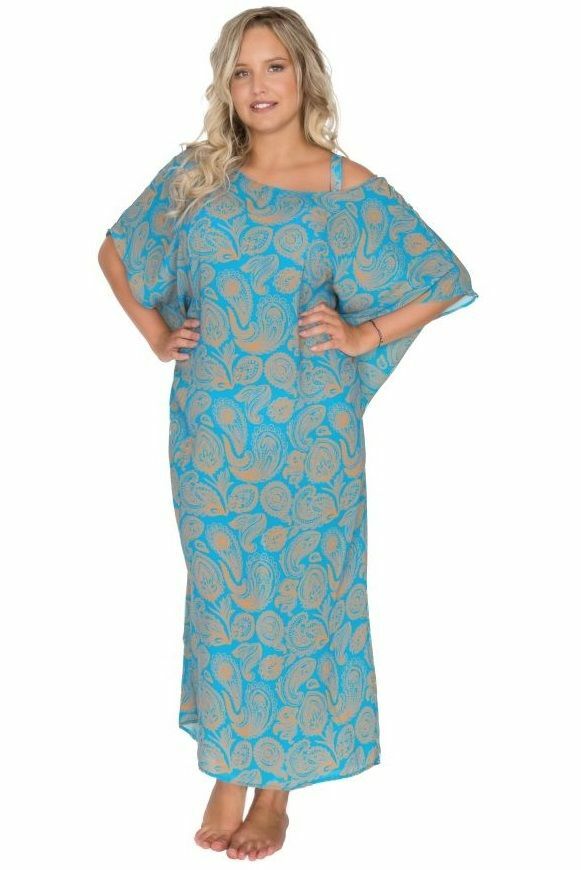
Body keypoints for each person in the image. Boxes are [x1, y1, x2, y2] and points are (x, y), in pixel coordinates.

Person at [98, 5, 478, 861]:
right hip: (209, 433)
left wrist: (364, 334)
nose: (257, 86)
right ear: (225, 87)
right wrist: (156, 333)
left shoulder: (348, 188)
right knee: (225, 600)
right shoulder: (196, 175)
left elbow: (442, 278)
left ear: (304, 74)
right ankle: (227, 763)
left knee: (302, 602)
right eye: (240, 71)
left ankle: (272, 790)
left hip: (311, 443)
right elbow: (116, 251)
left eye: (273, 67)